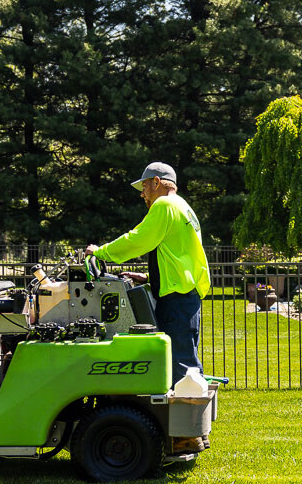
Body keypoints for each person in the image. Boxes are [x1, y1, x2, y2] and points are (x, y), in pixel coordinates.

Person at [88, 162, 211, 383]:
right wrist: (150, 277)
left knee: (181, 369)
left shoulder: (164, 204)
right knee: (185, 360)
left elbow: (138, 240)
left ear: (157, 182)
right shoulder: (185, 208)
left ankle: (187, 415)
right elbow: (181, 254)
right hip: (187, 294)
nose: (142, 194)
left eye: (144, 187)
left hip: (176, 298)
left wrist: (101, 252)